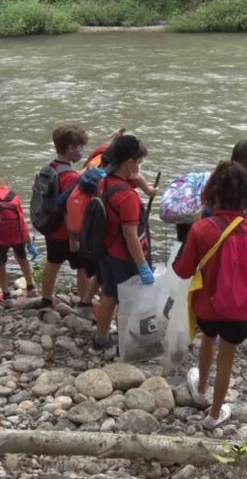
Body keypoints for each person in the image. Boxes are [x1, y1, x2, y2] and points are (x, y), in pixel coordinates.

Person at [173, 161, 247, 429]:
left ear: (213, 191)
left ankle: (200, 390)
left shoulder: (201, 228)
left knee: (207, 340)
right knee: (227, 356)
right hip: (237, 308)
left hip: (207, 305)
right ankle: (214, 415)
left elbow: (183, 270)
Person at [90, 134, 154, 354]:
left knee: (109, 293)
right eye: (138, 162)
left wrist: (139, 183)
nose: (139, 167)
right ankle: (128, 344)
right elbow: (130, 235)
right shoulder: (127, 197)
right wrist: (143, 266)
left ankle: (101, 338)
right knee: (129, 300)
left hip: (106, 250)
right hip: (124, 257)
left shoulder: (104, 181)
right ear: (129, 163)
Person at [34, 124, 89, 312]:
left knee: (53, 262)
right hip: (67, 232)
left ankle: (46, 300)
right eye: (80, 146)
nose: (82, 150)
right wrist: (74, 238)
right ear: (71, 147)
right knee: (83, 268)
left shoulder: (50, 167)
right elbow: (70, 208)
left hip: (50, 226)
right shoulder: (69, 176)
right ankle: (85, 302)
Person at [0, 174, 37, 308]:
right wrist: (28, 242)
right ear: (6, 184)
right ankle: (31, 288)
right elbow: (22, 221)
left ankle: (6, 295)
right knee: (22, 259)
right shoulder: (14, 196)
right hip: (17, 235)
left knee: (0, 263)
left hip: (0, 238)